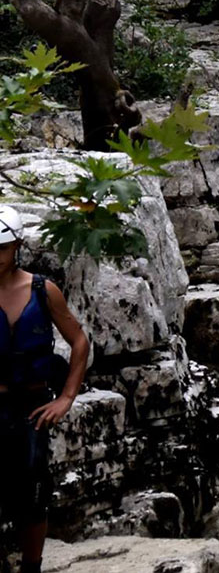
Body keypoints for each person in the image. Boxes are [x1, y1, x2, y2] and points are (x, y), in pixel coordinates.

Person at [0, 206, 89, 573]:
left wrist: (67, 397)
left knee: (33, 492)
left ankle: (31, 567)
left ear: (17, 245)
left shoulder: (42, 290)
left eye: (2, 248)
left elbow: (79, 340)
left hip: (32, 404)